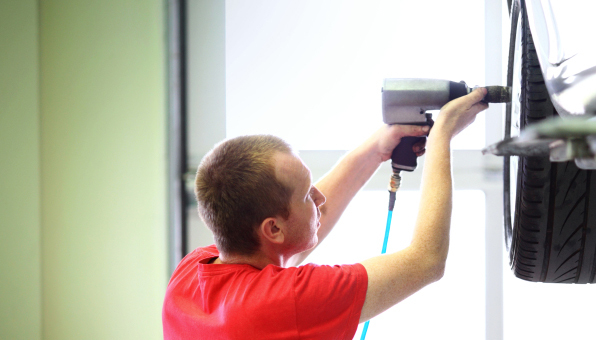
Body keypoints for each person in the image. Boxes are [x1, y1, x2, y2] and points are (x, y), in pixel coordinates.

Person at [162, 88, 488, 339]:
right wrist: (443, 134)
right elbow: (426, 261)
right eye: (306, 194)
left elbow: (302, 224)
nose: (318, 196)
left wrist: (377, 148)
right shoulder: (284, 303)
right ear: (272, 229)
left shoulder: (191, 273)